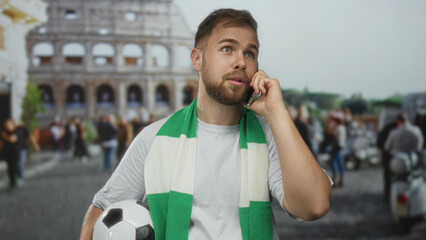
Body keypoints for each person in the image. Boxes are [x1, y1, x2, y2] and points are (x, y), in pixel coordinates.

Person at [80, 9, 332, 240]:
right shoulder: (154, 138)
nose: (241, 62)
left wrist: (276, 112)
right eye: (227, 49)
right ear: (197, 60)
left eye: (250, 53)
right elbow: (101, 211)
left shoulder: (268, 136)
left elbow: (314, 206)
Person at [1, 119, 19, 191]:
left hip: (14, 153)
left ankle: (14, 183)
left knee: (13, 168)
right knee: (10, 169)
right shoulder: (5, 133)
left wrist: (4, 136)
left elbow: (12, 140)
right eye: (5, 125)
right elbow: (2, 143)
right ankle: (12, 182)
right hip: (8, 153)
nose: (6, 126)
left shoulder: (16, 131)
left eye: (7, 124)